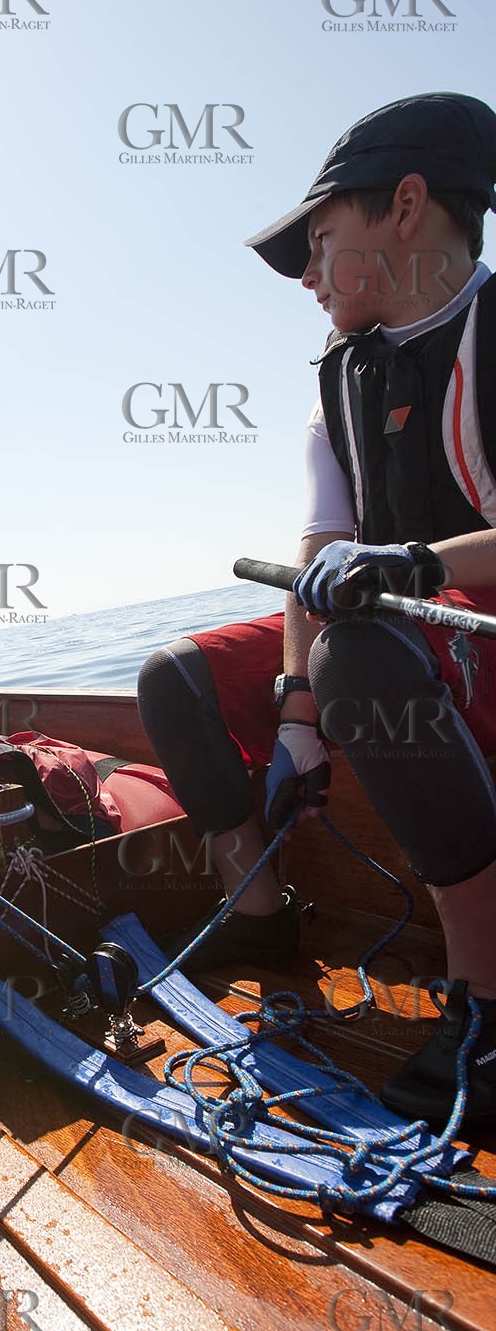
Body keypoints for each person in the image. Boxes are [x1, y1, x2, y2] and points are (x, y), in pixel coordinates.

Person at [136, 92, 496, 1130]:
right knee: (176, 678)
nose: (302, 275)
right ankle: (257, 914)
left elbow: (383, 578)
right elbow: (313, 553)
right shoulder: (335, 380)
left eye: (318, 240)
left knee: (359, 654)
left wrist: (415, 565)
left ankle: (484, 995)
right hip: (386, 644)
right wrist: (293, 711)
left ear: (408, 207)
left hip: (457, 640)